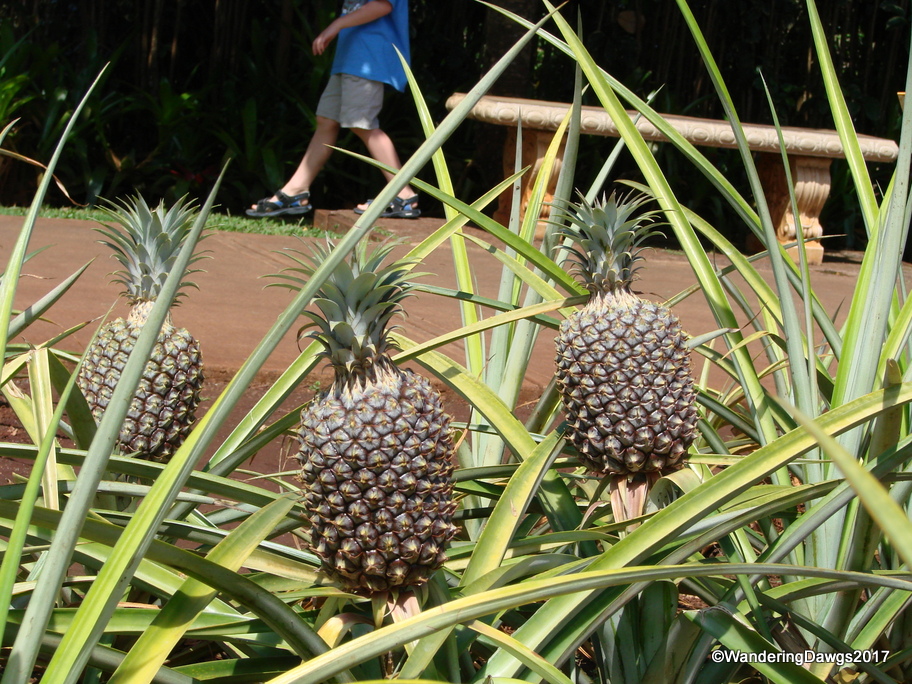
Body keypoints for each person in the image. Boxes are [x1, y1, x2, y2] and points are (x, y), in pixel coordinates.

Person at [247, 0, 420, 219]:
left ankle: (402, 194)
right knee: (326, 121)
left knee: (362, 124)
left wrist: (336, 25)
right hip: (350, 59)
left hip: (368, 57)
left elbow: (382, 5)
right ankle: (295, 191)